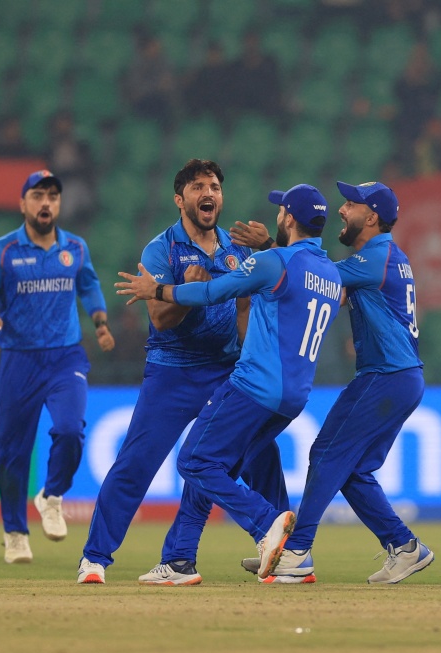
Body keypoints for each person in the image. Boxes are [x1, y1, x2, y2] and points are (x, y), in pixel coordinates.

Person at [77, 160, 289, 585]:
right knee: (136, 463)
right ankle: (95, 558)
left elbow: (245, 310)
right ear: (180, 199)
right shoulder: (162, 250)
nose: (208, 192)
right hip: (173, 372)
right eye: (197, 187)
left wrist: (250, 352)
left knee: (260, 454)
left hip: (227, 372)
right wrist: (188, 292)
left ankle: (286, 554)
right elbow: (160, 318)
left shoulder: (235, 248)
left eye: (214, 186)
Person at [116, 183, 342, 581]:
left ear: (289, 218)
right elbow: (293, 269)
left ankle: (266, 525)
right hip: (293, 396)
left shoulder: (272, 261)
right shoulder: (329, 273)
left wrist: (159, 289)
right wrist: (271, 246)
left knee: (193, 460)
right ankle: (181, 560)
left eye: (280, 211)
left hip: (254, 386)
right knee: (214, 465)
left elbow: (210, 291)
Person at [231, 180, 434, 585]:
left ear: (371, 217)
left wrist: (271, 246)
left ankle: (296, 550)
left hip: (386, 376)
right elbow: (317, 283)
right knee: (353, 470)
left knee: (325, 454)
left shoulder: (372, 259)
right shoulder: (386, 256)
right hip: (401, 377)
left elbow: (309, 278)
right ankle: (405, 546)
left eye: (351, 204)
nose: (342, 210)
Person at [0, 170, 115, 564]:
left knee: (70, 430)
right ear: (23, 204)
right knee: (12, 453)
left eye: (52, 196)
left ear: (59, 204)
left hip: (66, 355)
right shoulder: (3, 250)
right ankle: (15, 531)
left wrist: (100, 323)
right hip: (19, 359)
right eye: (37, 196)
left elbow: (88, 285)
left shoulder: (76, 248)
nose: (46, 202)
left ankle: (52, 495)